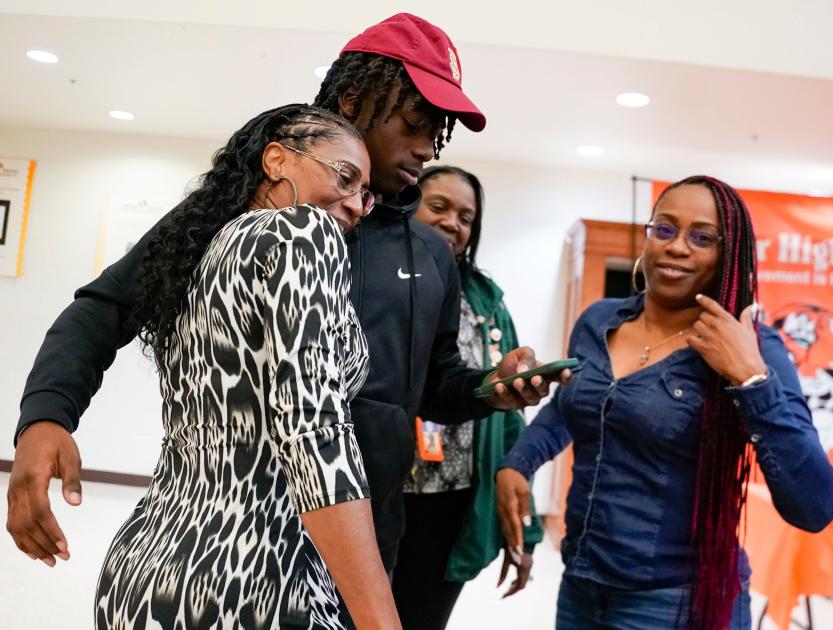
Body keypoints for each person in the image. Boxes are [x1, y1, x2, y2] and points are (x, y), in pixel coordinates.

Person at [7, 12, 564, 603]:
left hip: (368, 541)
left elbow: (434, 382)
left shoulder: (429, 252)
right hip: (236, 545)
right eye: (415, 122)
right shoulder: (247, 216)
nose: (428, 146)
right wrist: (45, 418)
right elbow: (103, 308)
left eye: (439, 131)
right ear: (354, 97)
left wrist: (487, 390)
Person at [93, 104, 393, 628]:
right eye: (345, 176)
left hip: (148, 568)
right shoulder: (302, 232)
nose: (356, 205)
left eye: (365, 193)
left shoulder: (201, 254)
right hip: (252, 581)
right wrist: (379, 618)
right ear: (276, 160)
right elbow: (314, 431)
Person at [496, 175, 833, 630]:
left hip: (678, 603)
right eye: (665, 229)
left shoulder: (752, 347)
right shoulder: (600, 320)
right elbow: (574, 406)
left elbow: (814, 507)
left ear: (728, 254)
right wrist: (518, 462)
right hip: (581, 588)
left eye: (702, 237)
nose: (677, 247)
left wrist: (751, 379)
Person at [390, 166, 544, 629]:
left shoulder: (486, 304)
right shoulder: (367, 279)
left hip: (449, 505)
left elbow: (511, 421)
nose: (452, 223)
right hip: (369, 497)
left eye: (466, 217)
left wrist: (526, 528)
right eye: (438, 206)